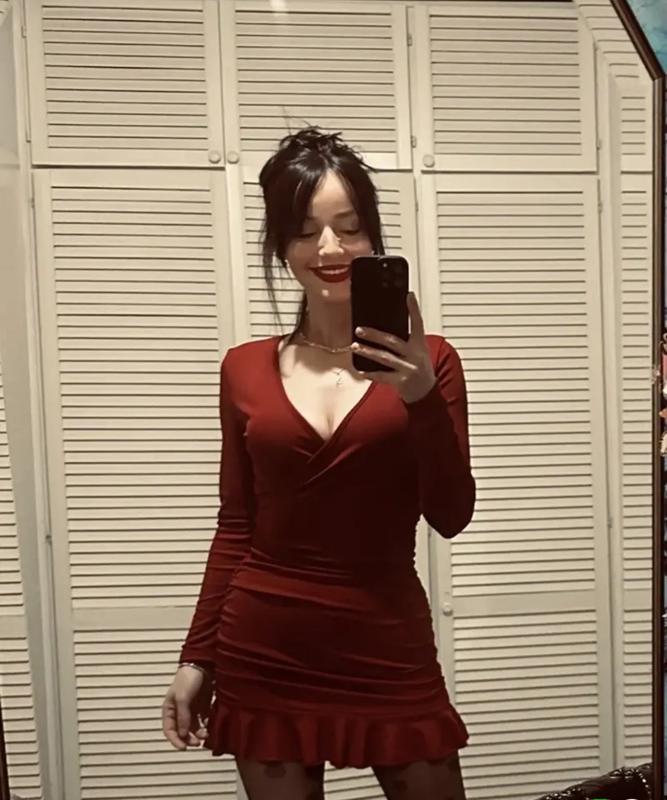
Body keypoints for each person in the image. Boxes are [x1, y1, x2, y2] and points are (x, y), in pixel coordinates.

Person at [161, 126, 476, 800]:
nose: (329, 248)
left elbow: (451, 515)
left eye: (349, 227)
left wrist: (420, 398)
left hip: (386, 638)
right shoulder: (243, 368)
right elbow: (236, 525)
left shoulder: (432, 361)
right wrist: (197, 658)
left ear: (374, 238)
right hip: (264, 646)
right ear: (281, 245)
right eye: (306, 231)